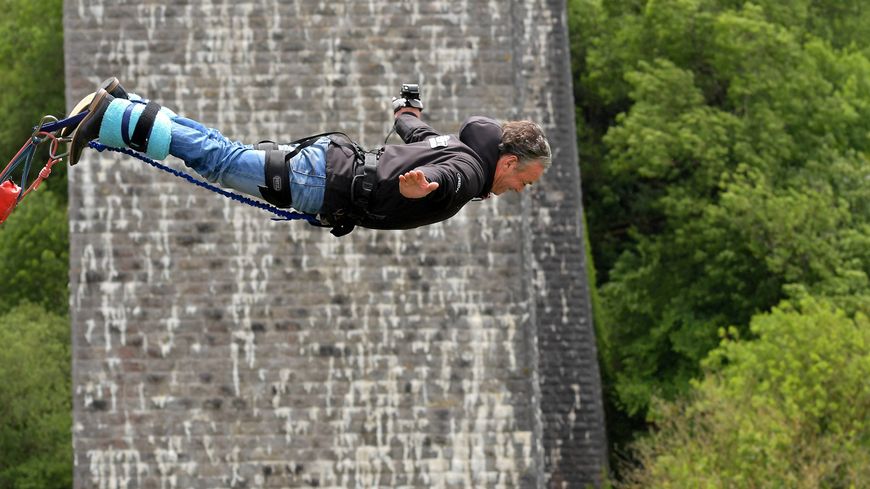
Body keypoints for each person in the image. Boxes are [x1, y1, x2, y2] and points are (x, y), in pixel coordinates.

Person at [66, 77, 551, 235]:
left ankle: (127, 108)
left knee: (222, 151)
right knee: (217, 159)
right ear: (508, 162)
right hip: (322, 183)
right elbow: (446, 178)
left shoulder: (461, 145)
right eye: (525, 180)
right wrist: (424, 186)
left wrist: (407, 110)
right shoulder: (468, 170)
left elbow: (413, 128)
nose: (519, 190)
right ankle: (116, 115)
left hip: (331, 169)